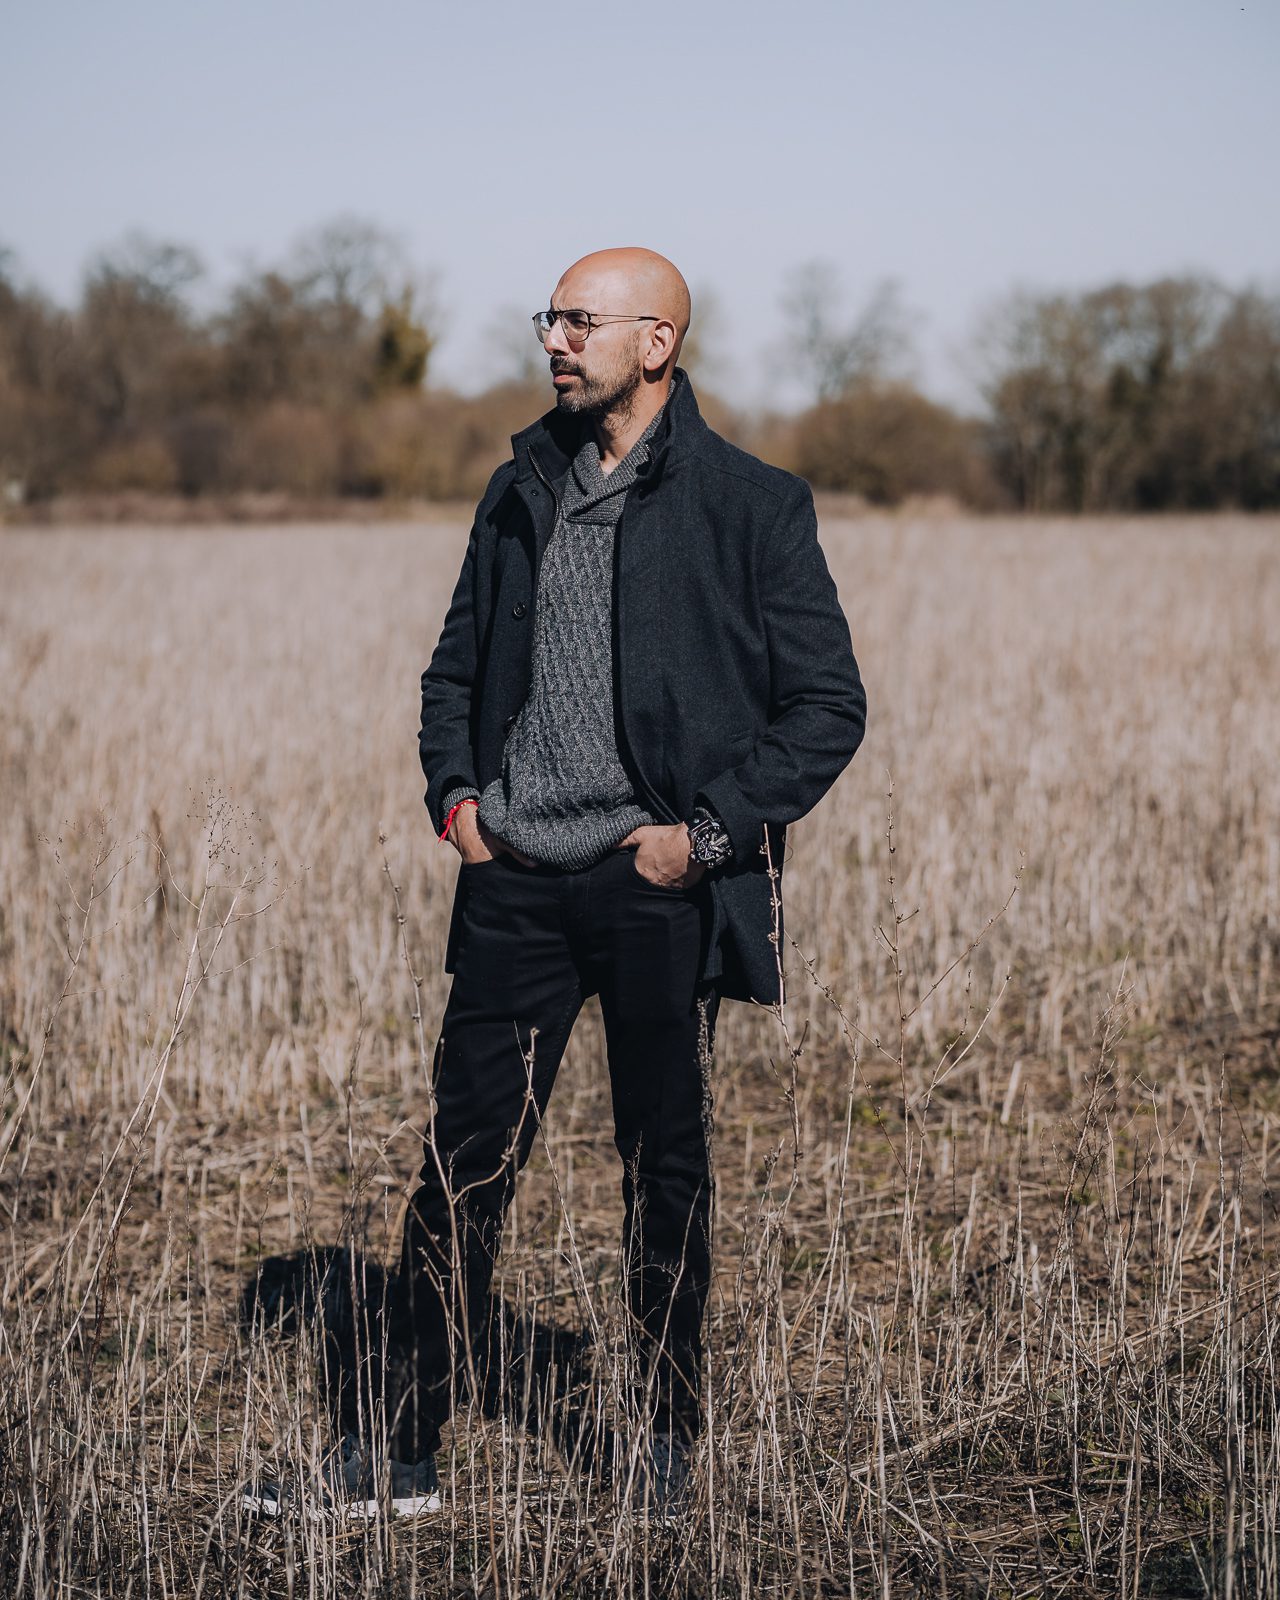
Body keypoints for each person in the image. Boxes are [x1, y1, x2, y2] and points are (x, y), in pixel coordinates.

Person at [387, 246, 867, 1517]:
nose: (553, 337)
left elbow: (825, 710)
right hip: (515, 887)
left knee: (663, 1171)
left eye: (578, 319)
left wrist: (699, 840)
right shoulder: (517, 488)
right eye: (548, 315)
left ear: (654, 343)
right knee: (459, 1168)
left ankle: (659, 1440)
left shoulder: (750, 503)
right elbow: (451, 674)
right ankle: (398, 1449)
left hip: (658, 889)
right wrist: (458, 806)